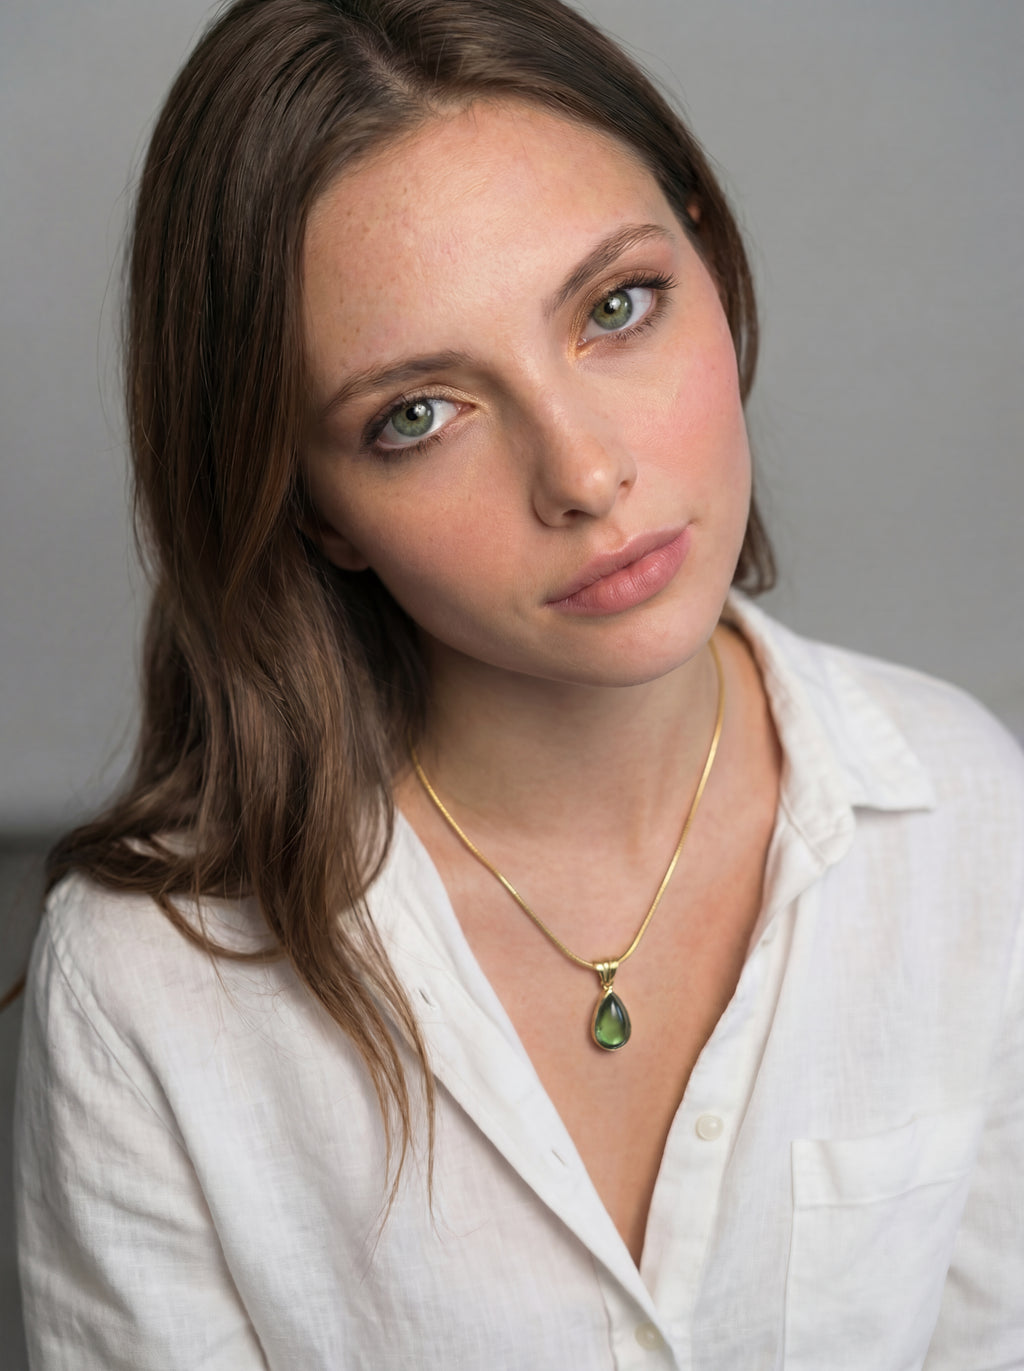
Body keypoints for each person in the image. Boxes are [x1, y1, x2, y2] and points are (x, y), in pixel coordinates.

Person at [14, 0, 1023, 1366]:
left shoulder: (963, 811)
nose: (584, 473)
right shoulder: (150, 982)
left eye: (617, 307)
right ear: (310, 506)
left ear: (710, 259)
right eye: (415, 415)